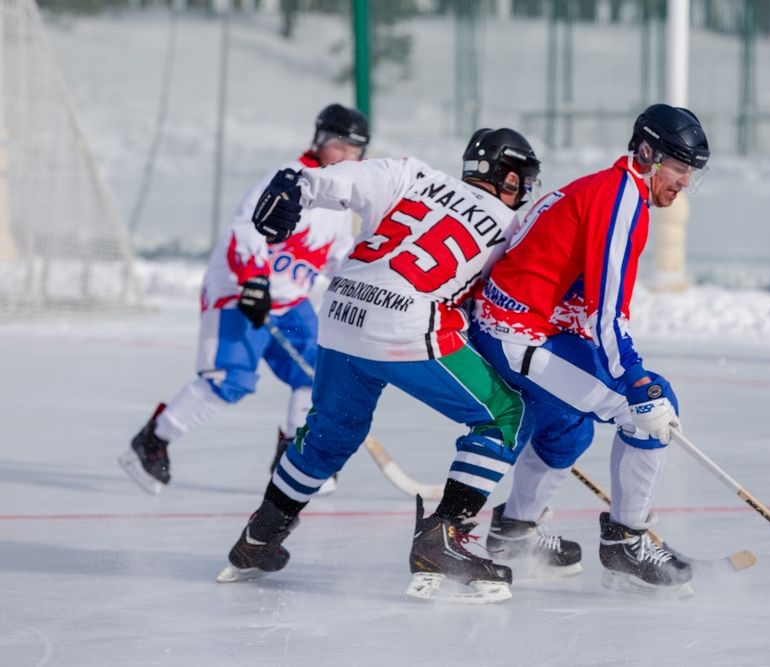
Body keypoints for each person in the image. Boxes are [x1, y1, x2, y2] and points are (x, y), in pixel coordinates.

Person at [217, 128, 543, 603]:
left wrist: (298, 186)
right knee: (506, 414)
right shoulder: (515, 226)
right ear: (510, 178)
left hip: (341, 312)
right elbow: (500, 311)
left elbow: (341, 179)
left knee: (329, 433)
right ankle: (443, 539)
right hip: (407, 327)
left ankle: (258, 539)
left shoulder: (414, 175)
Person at [470, 104, 710, 594]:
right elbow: (606, 311)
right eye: (680, 168)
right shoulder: (621, 198)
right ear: (648, 154)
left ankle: (512, 532)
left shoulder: (607, 188)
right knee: (647, 404)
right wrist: (634, 377)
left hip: (507, 325)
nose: (685, 182)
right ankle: (626, 540)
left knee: (570, 430)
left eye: (692, 173)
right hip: (517, 334)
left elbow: (572, 286)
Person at [119, 104, 370, 495]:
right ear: (320, 141)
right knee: (230, 381)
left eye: (356, 151)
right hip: (238, 291)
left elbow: (339, 259)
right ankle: (152, 441)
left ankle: (293, 456)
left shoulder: (340, 201)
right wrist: (255, 280)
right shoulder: (290, 177)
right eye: (340, 146)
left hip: (288, 301)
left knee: (319, 373)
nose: (347, 157)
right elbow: (247, 229)